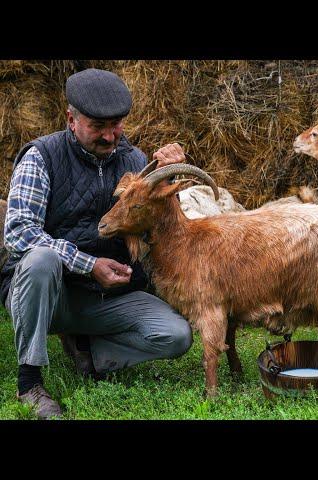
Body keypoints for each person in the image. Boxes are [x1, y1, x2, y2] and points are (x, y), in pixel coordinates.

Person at [1, 68, 193, 419]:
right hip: (51, 295)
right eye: (98, 127)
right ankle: (29, 382)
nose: (110, 136)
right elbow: (18, 232)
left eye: (116, 124)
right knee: (39, 259)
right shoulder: (41, 157)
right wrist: (88, 264)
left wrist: (170, 177)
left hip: (107, 299)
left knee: (176, 335)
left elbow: (162, 231)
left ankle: (91, 352)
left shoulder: (135, 161)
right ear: (71, 119)